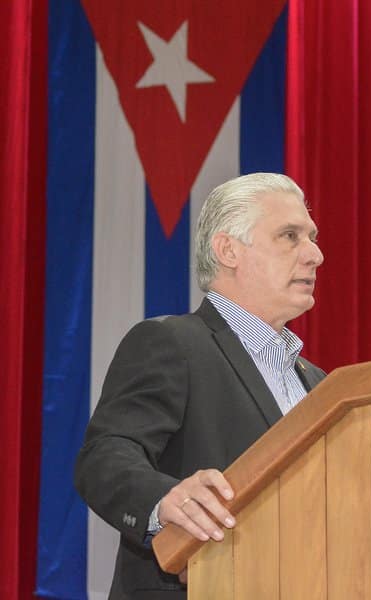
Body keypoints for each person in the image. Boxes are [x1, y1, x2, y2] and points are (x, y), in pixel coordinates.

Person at [74, 173, 326, 598]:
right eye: (290, 236)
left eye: (312, 238)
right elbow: (105, 457)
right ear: (228, 250)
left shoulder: (320, 383)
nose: (315, 255)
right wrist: (166, 501)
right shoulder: (173, 343)